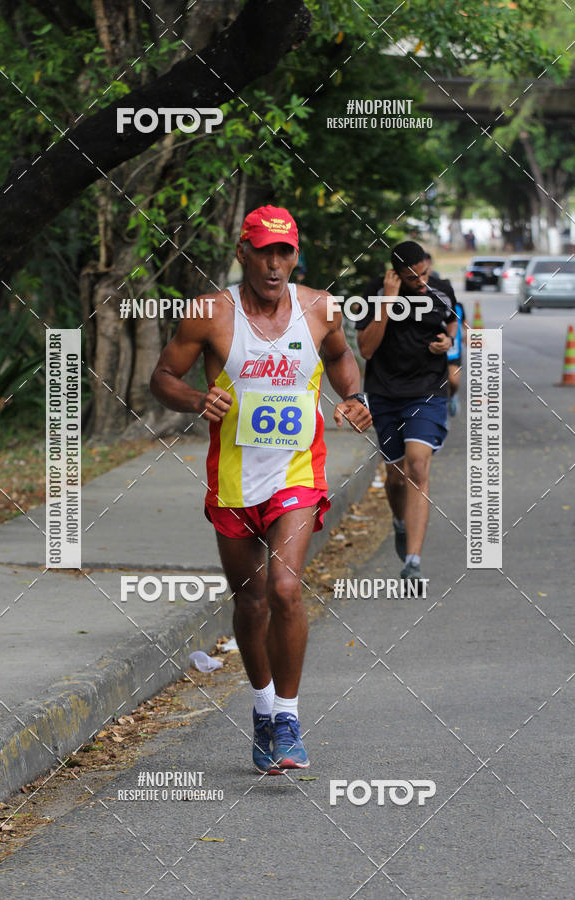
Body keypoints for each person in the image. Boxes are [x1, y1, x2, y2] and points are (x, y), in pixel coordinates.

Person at [150, 205, 371, 775]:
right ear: (243, 252)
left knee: (285, 588)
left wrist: (354, 397)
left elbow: (342, 356)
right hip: (233, 480)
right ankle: (263, 708)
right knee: (250, 602)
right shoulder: (209, 314)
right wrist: (199, 400)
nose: (275, 264)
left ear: (296, 256)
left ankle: (290, 719)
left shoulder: (320, 308)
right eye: (264, 251)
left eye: (286, 252)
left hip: (298, 472)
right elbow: (162, 378)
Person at [355, 240, 457, 588]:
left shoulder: (440, 289)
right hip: (384, 394)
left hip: (428, 390)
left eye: (424, 273)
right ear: (395, 276)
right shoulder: (374, 293)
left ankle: (413, 562)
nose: (422, 282)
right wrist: (387, 300)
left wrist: (448, 343)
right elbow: (366, 348)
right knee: (395, 477)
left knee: (417, 465)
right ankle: (399, 523)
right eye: (413, 278)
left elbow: (452, 322)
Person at [447, 299, 467, 416]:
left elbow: (465, 324)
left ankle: (452, 396)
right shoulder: (429, 304)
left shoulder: (458, 306)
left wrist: (468, 334)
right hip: (434, 353)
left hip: (454, 352)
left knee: (453, 382)